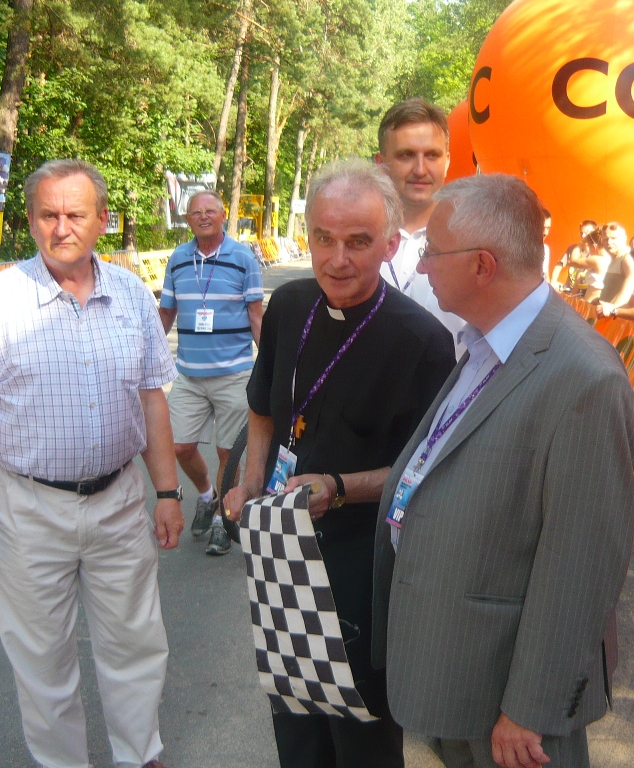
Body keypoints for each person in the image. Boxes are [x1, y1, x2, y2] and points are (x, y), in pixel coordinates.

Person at [372, 174, 634, 768]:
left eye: (432, 251)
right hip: (460, 668)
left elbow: (583, 564)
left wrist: (531, 708)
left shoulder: (583, 377)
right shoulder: (489, 342)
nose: (422, 264)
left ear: (482, 266)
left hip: (510, 701)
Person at [0, 159, 183, 768]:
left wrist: (167, 491)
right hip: (28, 509)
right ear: (30, 221)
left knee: (135, 640)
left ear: (103, 220)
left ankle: (140, 755)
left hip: (120, 500)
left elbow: (152, 398)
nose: (62, 227)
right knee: (41, 658)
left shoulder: (132, 294)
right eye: (48, 215)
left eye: (76, 214)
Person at [224, 158, 456, 767]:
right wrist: (251, 480)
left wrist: (339, 486)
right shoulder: (289, 305)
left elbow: (426, 472)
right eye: (323, 238)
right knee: (294, 718)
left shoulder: (423, 341)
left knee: (361, 733)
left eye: (358, 241)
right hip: (282, 547)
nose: (337, 259)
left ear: (391, 244)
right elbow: (262, 408)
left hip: (363, 563)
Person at [158, 190, 263, 556]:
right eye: (195, 212)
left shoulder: (243, 258)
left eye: (210, 211)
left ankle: (221, 520)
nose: (203, 217)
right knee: (179, 446)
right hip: (188, 374)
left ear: (222, 215)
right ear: (188, 219)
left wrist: (271, 366)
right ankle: (207, 495)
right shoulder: (178, 258)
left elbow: (256, 316)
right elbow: (166, 313)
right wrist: (144, 356)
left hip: (234, 372)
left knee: (227, 453)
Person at [375, 97, 465, 348]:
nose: (420, 169)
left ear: (447, 161)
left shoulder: (476, 241)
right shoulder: (354, 241)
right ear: (381, 164)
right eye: (406, 155)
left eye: (432, 155)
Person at [597, 221, 634, 306]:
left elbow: (632, 283)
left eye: (614, 238)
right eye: (605, 239)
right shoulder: (614, 258)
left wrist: (612, 307)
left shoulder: (627, 257)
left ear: (624, 239)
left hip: (617, 312)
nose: (609, 242)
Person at [550, 219, 597, 290]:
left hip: (586, 290)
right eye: (581, 233)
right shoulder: (573, 248)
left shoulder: (596, 253)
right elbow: (559, 265)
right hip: (569, 288)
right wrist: (553, 282)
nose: (583, 236)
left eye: (586, 233)